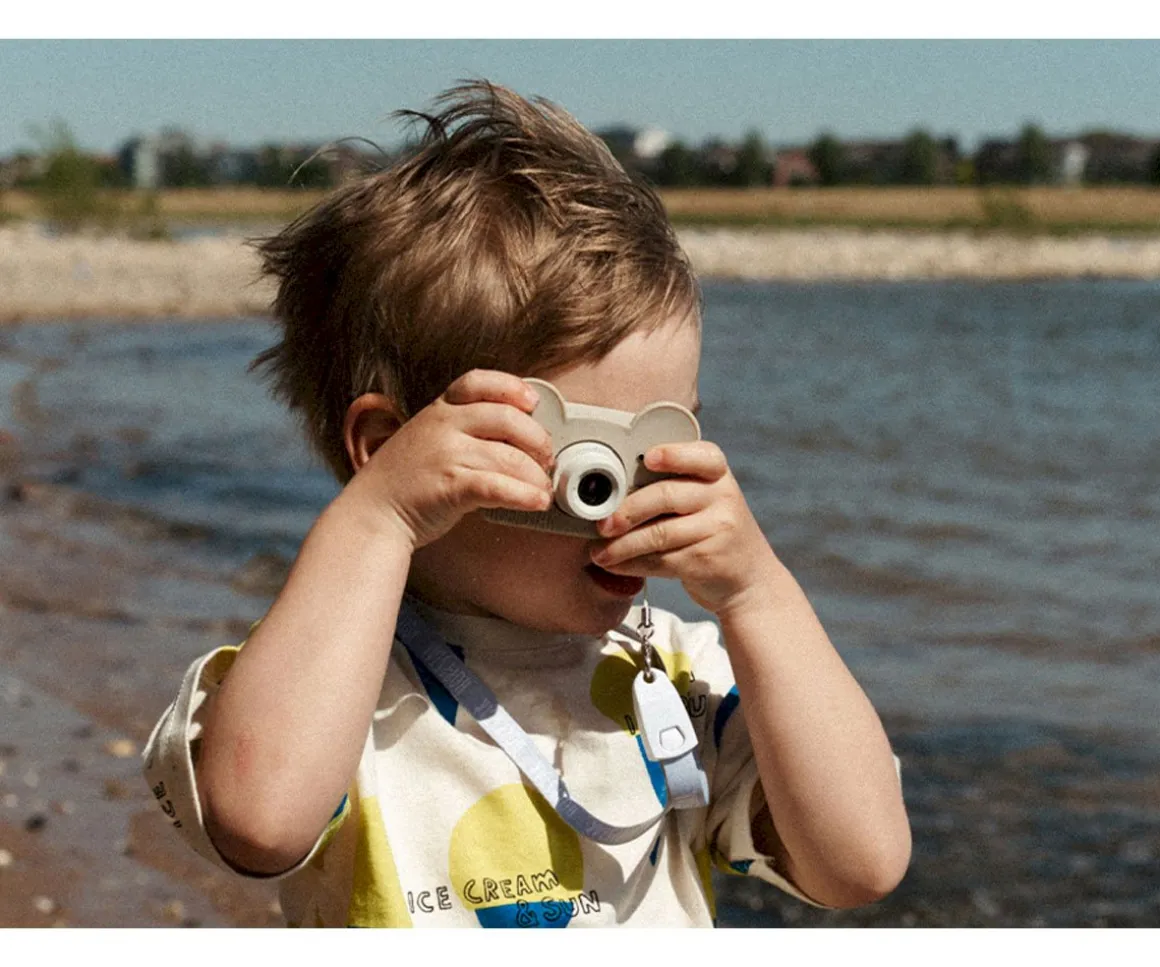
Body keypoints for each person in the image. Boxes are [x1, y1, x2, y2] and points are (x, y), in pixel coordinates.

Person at [142, 80, 910, 928]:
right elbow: (258, 819)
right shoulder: (335, 677)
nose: (628, 499)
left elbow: (862, 859)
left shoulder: (676, 677)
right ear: (394, 449)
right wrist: (376, 515)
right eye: (591, 464)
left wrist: (757, 592)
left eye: (667, 443)